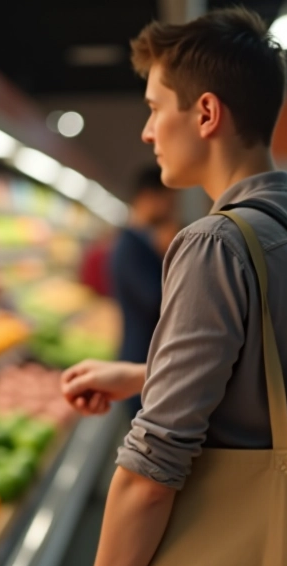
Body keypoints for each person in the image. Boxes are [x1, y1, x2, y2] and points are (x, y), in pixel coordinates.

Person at [59, 8, 287, 566]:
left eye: (154, 108)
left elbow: (152, 471)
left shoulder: (216, 244)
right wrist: (140, 375)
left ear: (205, 113)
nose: (147, 131)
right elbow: (283, 385)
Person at [111, 166, 178, 417]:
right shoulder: (130, 246)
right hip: (140, 361)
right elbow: (156, 302)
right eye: (169, 201)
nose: (172, 209)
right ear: (149, 197)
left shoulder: (139, 243)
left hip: (143, 361)